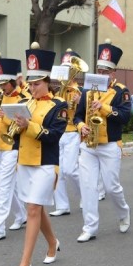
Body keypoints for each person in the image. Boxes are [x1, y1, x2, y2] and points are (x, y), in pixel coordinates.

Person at [11, 44, 67, 266]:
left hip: (46, 162)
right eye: (30, 84)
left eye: (36, 84)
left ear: (47, 82)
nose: (32, 88)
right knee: (36, 207)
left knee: (33, 209)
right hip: (25, 161)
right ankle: (53, 242)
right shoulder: (25, 102)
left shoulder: (59, 105)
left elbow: (54, 135)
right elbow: (15, 134)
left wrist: (29, 126)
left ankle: (25, 263)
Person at [74, 40, 132, 242]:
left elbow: (125, 117)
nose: (102, 74)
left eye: (106, 71)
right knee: (88, 186)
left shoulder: (121, 91)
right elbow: (77, 116)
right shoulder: (86, 90)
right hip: (88, 144)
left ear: (113, 73)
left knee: (111, 186)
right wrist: (81, 127)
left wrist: (104, 108)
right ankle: (89, 227)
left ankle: (123, 213)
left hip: (109, 144)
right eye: (99, 70)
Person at [0, 53, 29, 241]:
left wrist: (9, 118)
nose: (1, 87)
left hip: (14, 146)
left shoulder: (25, 97)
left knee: (3, 186)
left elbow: (27, 123)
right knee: (12, 186)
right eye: (0, 83)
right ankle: (21, 215)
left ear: (13, 81)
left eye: (4, 83)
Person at [51, 49, 85, 218]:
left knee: (70, 170)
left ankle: (85, 197)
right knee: (58, 171)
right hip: (59, 132)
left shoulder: (79, 91)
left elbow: (84, 114)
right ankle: (62, 205)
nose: (66, 72)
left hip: (72, 132)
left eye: (69, 68)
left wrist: (80, 102)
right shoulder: (57, 89)